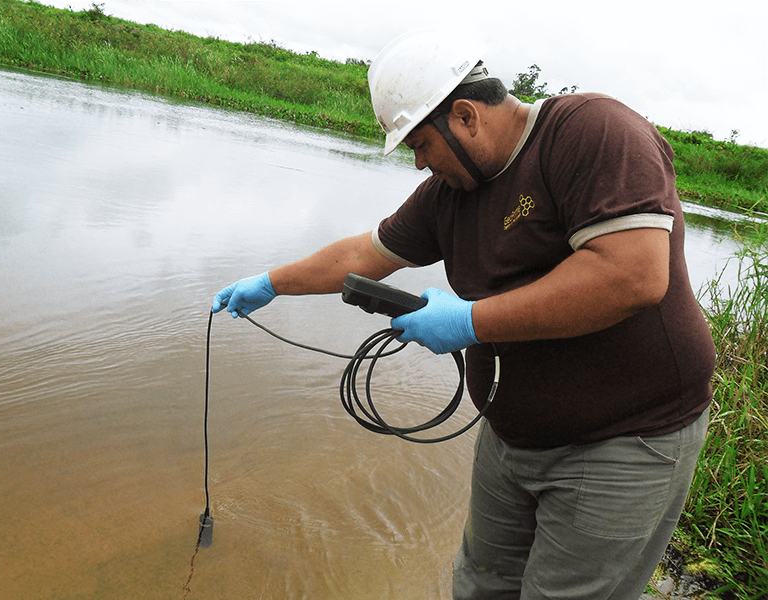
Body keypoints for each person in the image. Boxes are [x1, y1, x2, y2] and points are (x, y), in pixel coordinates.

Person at [212, 28, 715, 600]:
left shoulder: (592, 132)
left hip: (624, 438)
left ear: (466, 115)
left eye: (420, 146)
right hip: (512, 436)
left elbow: (631, 274)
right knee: (480, 586)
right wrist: (270, 284)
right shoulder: (451, 194)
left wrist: (470, 322)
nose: (421, 165)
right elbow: (360, 255)